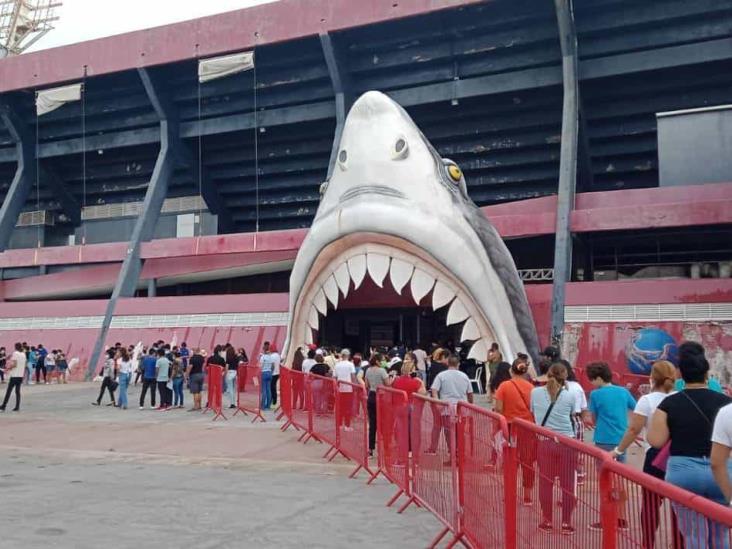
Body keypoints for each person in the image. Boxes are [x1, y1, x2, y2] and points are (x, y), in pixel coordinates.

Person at [648, 341, 731, 549]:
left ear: (680, 375)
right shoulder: (726, 403)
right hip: (721, 473)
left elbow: (655, 441)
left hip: (683, 471)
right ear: (707, 374)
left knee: (694, 534)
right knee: (721, 533)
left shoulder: (669, 403)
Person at [614, 360, 680, 549]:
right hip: (675, 454)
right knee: (679, 504)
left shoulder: (647, 400)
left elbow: (634, 429)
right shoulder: (680, 397)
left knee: (650, 504)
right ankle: (677, 542)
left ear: (652, 377)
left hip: (654, 455)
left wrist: (618, 450)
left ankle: (648, 542)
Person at [530, 362, 577, 535]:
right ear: (565, 376)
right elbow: (573, 415)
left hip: (544, 441)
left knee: (545, 483)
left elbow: (533, 412)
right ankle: (566, 523)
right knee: (567, 485)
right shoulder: (570, 395)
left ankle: (547, 520)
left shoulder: (534, 392)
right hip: (567, 442)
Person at [494, 357, 536, 505]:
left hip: (510, 428)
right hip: (528, 428)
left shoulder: (504, 386)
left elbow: (498, 408)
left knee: (510, 462)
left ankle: (510, 492)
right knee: (527, 461)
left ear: (511, 370)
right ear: (525, 372)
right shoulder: (531, 388)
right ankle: (527, 495)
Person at [586, 361, 636, 462]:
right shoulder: (624, 391)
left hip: (603, 437)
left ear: (599, 378)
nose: (591, 382)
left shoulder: (595, 394)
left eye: (591, 379)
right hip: (622, 438)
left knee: (603, 469)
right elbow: (636, 407)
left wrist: (596, 423)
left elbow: (594, 416)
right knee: (620, 470)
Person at [429, 355, 473, 457]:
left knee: (449, 433)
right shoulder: (464, 376)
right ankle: (460, 454)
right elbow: (470, 393)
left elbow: (434, 390)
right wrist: (470, 404)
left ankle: (452, 453)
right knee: (461, 432)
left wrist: (437, 402)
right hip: (462, 408)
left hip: (447, 408)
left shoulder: (441, 375)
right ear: (458, 364)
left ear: (447, 363)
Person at [364, 353, 392, 456]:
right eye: (382, 360)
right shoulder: (382, 371)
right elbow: (388, 384)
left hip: (371, 396)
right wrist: (391, 379)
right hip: (381, 396)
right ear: (377, 361)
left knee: (372, 424)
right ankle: (386, 448)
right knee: (384, 423)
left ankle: (371, 449)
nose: (384, 362)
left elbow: (366, 384)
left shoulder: (368, 370)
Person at [333, 349, 357, 430]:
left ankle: (339, 424)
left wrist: (335, 388)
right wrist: (355, 387)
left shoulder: (337, 365)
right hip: (349, 388)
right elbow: (353, 376)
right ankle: (347, 425)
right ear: (348, 355)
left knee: (340, 407)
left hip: (339, 388)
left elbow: (334, 377)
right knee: (348, 407)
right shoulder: (351, 365)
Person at [0, 343, 26, 412]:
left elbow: (14, 364)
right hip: (20, 376)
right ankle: (17, 406)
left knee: (8, 391)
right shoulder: (23, 354)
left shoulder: (15, 353)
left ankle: (3, 406)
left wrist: (7, 369)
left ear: (15, 347)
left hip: (14, 375)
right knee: (17, 392)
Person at [259, 343, 276, 410]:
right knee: (268, 389)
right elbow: (273, 366)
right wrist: (271, 372)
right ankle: (268, 406)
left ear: (263, 349)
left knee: (264, 390)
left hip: (264, 372)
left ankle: (262, 406)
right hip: (269, 373)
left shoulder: (262, 357)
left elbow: (261, 366)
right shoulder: (271, 357)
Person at [270, 343, 282, 408]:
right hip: (277, 373)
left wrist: (270, 372)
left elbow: (272, 365)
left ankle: (273, 400)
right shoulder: (278, 355)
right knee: (274, 387)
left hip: (273, 373)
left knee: (272, 387)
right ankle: (274, 400)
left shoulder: (272, 356)